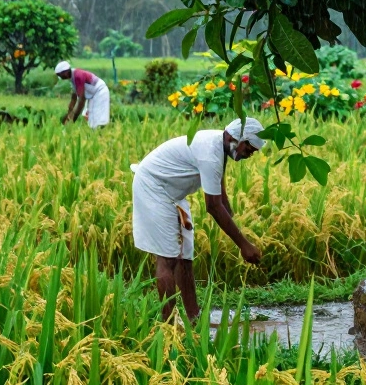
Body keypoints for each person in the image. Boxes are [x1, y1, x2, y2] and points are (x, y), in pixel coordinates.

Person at [131, 117, 265, 320]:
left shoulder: (220, 146)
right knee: (168, 257)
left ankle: (194, 319)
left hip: (173, 193)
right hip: (153, 187)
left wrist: (232, 218)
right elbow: (213, 206)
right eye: (250, 148)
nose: (250, 154)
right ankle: (168, 325)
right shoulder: (210, 154)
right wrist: (244, 245)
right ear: (238, 138)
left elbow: (219, 190)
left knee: (185, 257)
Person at [55, 60, 110, 128]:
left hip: (100, 92)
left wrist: (73, 119)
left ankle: (102, 135)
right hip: (93, 95)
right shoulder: (72, 76)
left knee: (98, 120)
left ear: (65, 73)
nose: (60, 77)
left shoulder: (78, 76)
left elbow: (81, 100)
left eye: (60, 75)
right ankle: (95, 135)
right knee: (92, 120)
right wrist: (69, 113)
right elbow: (74, 97)